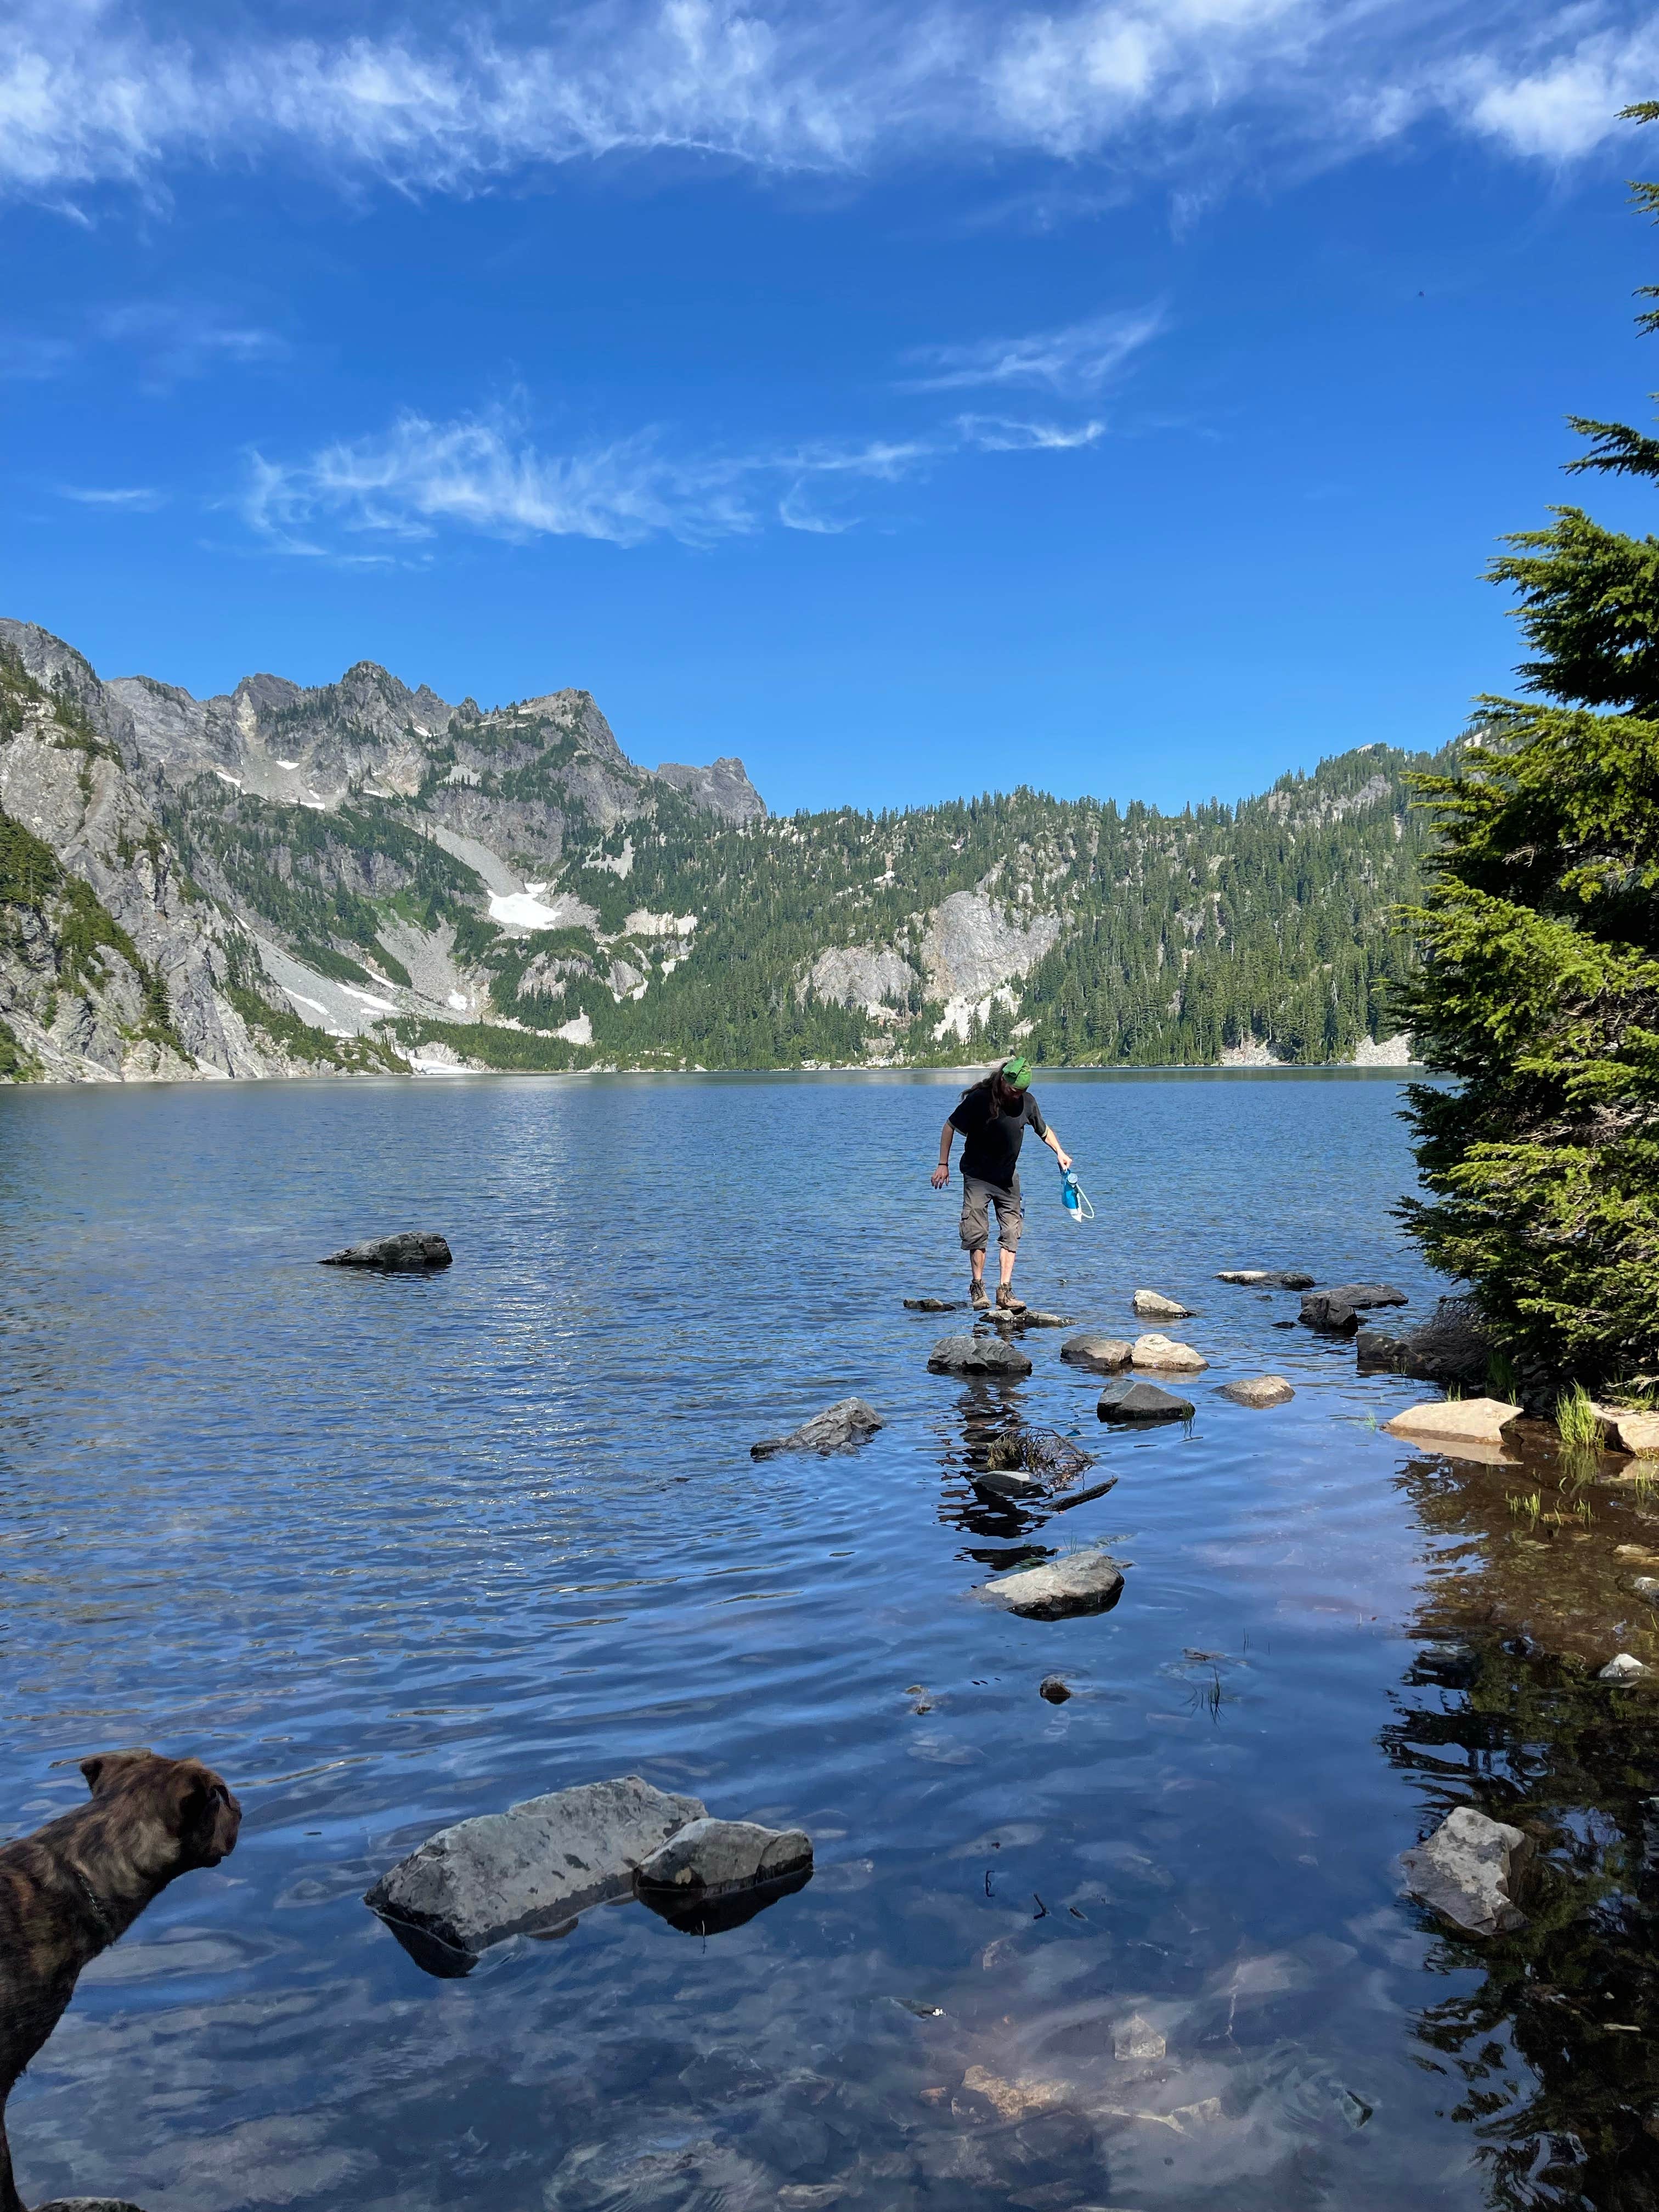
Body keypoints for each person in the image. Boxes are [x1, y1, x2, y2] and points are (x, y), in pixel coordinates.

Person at [930, 1056, 1071, 1313]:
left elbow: (1044, 1131)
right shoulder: (980, 1099)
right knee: (976, 1231)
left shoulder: (1027, 1103)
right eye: (1014, 1090)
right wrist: (943, 1164)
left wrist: (1060, 1153)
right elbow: (950, 1126)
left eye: (1022, 1091)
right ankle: (978, 1287)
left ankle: (1005, 1292)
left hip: (1008, 1179)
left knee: (1012, 1232)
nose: (1017, 1095)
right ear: (1003, 1080)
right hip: (977, 1177)